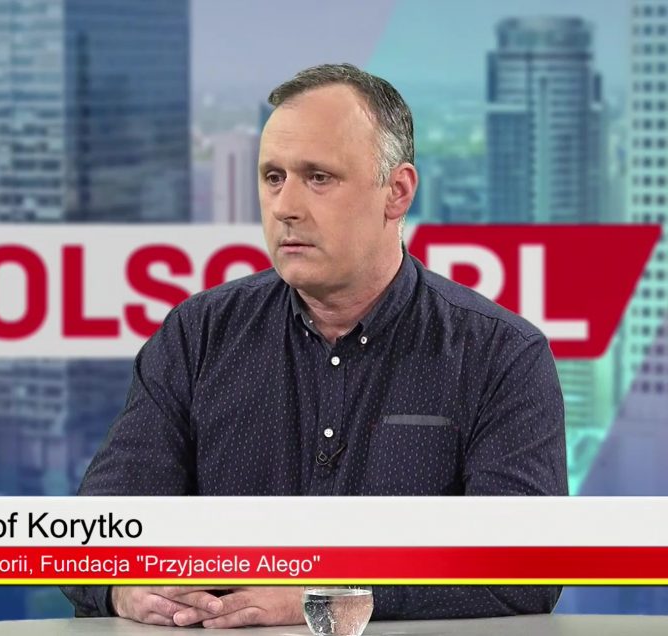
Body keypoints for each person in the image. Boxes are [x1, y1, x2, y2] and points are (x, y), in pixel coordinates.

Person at [62, 63, 567, 628]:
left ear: (396, 192)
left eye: (319, 177)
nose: (285, 206)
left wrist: (331, 596)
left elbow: (526, 567)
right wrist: (124, 587)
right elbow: (90, 537)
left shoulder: (500, 355)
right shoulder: (197, 335)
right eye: (273, 177)